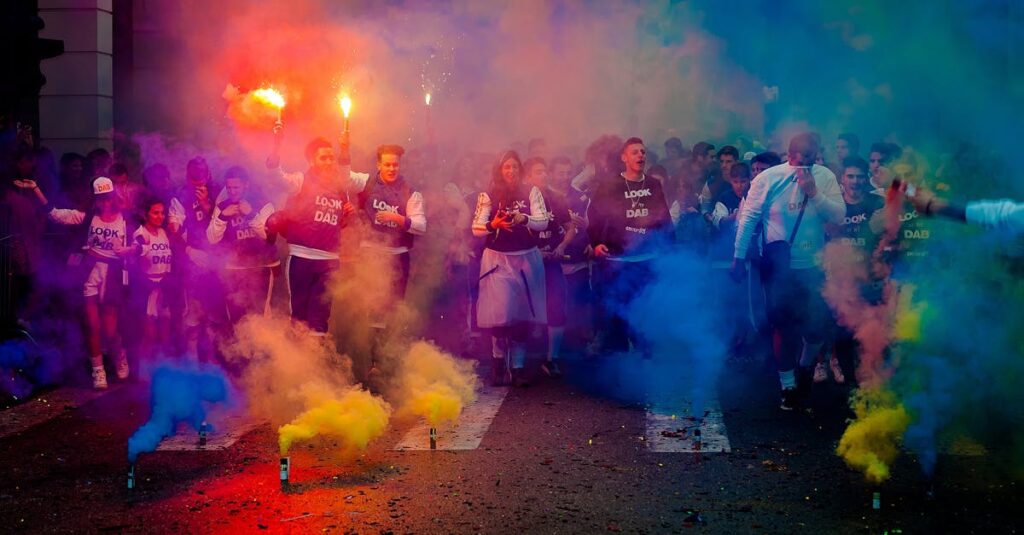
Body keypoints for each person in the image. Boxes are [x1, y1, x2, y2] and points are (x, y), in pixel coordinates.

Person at [730, 133, 844, 411]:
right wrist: (738, 256)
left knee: (816, 329)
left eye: (811, 157)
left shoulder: (824, 176)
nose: (804, 164)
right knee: (784, 328)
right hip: (780, 268)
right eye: (800, 158)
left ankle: (805, 369)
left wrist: (814, 192)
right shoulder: (768, 178)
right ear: (790, 155)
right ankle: (788, 386)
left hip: (812, 266)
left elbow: (839, 216)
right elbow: (749, 220)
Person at [47, 177, 138, 388]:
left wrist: (130, 250)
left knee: (110, 329)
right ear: (95, 199)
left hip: (113, 276)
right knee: (92, 326)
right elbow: (57, 215)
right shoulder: (88, 216)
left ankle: (119, 354)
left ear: (113, 197)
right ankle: (98, 371)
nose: (105, 203)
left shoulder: (125, 219)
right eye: (101, 199)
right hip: (90, 273)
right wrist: (36, 191)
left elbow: (139, 241)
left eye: (108, 198)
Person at [587, 137, 672, 355]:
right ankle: (619, 364)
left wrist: (670, 247)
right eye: (634, 152)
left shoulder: (653, 185)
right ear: (624, 158)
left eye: (643, 152)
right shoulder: (610, 186)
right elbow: (594, 217)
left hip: (646, 258)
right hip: (618, 260)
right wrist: (596, 244)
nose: (640, 156)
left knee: (645, 309)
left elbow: (664, 218)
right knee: (618, 312)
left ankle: (646, 361)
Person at [266, 128, 356, 335]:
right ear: (311, 161)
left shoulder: (340, 186)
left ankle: (317, 365)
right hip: (302, 258)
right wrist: (276, 145)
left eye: (331, 158)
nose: (329, 162)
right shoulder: (300, 181)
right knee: (299, 318)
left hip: (330, 260)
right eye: (323, 158)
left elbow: (337, 222)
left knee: (321, 319)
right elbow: (276, 176)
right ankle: (297, 365)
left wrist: (348, 216)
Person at [472, 151, 549, 387]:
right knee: (500, 315)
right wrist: (493, 224)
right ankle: (497, 364)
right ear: (500, 170)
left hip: (526, 259)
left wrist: (523, 219)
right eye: (507, 167)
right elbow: (476, 228)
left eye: (515, 167)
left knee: (521, 316)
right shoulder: (488, 195)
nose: (511, 171)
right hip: (497, 260)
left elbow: (543, 221)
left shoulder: (531, 192)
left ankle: (517, 368)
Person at [350, 144, 427, 367]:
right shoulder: (367, 182)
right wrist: (346, 148)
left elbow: (421, 225)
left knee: (392, 308)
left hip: (398, 256)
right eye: (387, 164)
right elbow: (343, 177)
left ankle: (385, 358)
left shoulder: (410, 191)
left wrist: (399, 219)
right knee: (371, 306)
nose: (392, 168)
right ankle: (368, 358)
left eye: (395, 164)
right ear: (378, 164)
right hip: (371, 254)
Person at [820, 156, 884, 385]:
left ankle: (868, 375)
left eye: (859, 176)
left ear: (865, 178)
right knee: (841, 331)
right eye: (850, 176)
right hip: (839, 279)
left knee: (868, 329)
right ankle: (845, 376)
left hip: (868, 277)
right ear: (842, 179)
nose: (855, 181)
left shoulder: (877, 203)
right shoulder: (833, 205)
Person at [524, 157, 576, 378]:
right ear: (528, 176)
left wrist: (562, 245)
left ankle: (551, 358)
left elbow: (570, 227)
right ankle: (520, 361)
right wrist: (534, 251)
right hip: (527, 264)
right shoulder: (521, 200)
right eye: (538, 172)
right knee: (524, 309)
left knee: (557, 306)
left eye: (545, 171)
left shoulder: (556, 198)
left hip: (553, 263)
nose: (544, 175)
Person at [207, 165, 279, 324]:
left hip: (261, 268)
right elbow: (211, 239)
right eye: (229, 187)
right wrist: (222, 218)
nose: (232, 191)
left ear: (246, 185)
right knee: (236, 318)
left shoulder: (263, 204)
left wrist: (251, 215)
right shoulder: (222, 206)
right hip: (233, 269)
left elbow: (268, 236)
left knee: (260, 317)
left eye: (236, 187)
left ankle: (260, 349)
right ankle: (241, 349)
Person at [169, 156, 225, 360]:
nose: (199, 180)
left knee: (214, 314)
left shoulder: (219, 191)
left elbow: (224, 225)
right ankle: (191, 361)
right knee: (192, 313)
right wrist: (189, 251)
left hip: (217, 260)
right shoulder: (180, 195)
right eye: (194, 175)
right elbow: (173, 229)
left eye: (202, 174)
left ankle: (211, 361)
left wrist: (205, 205)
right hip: (192, 261)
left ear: (208, 173)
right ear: (188, 175)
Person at [132, 198, 174, 361]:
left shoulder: (163, 233)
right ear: (146, 214)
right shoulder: (141, 234)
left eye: (162, 213)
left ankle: (162, 368)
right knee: (149, 334)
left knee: (164, 332)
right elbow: (134, 263)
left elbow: (168, 261)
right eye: (155, 213)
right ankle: (143, 371)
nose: (160, 216)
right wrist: (146, 282)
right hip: (148, 289)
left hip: (163, 288)